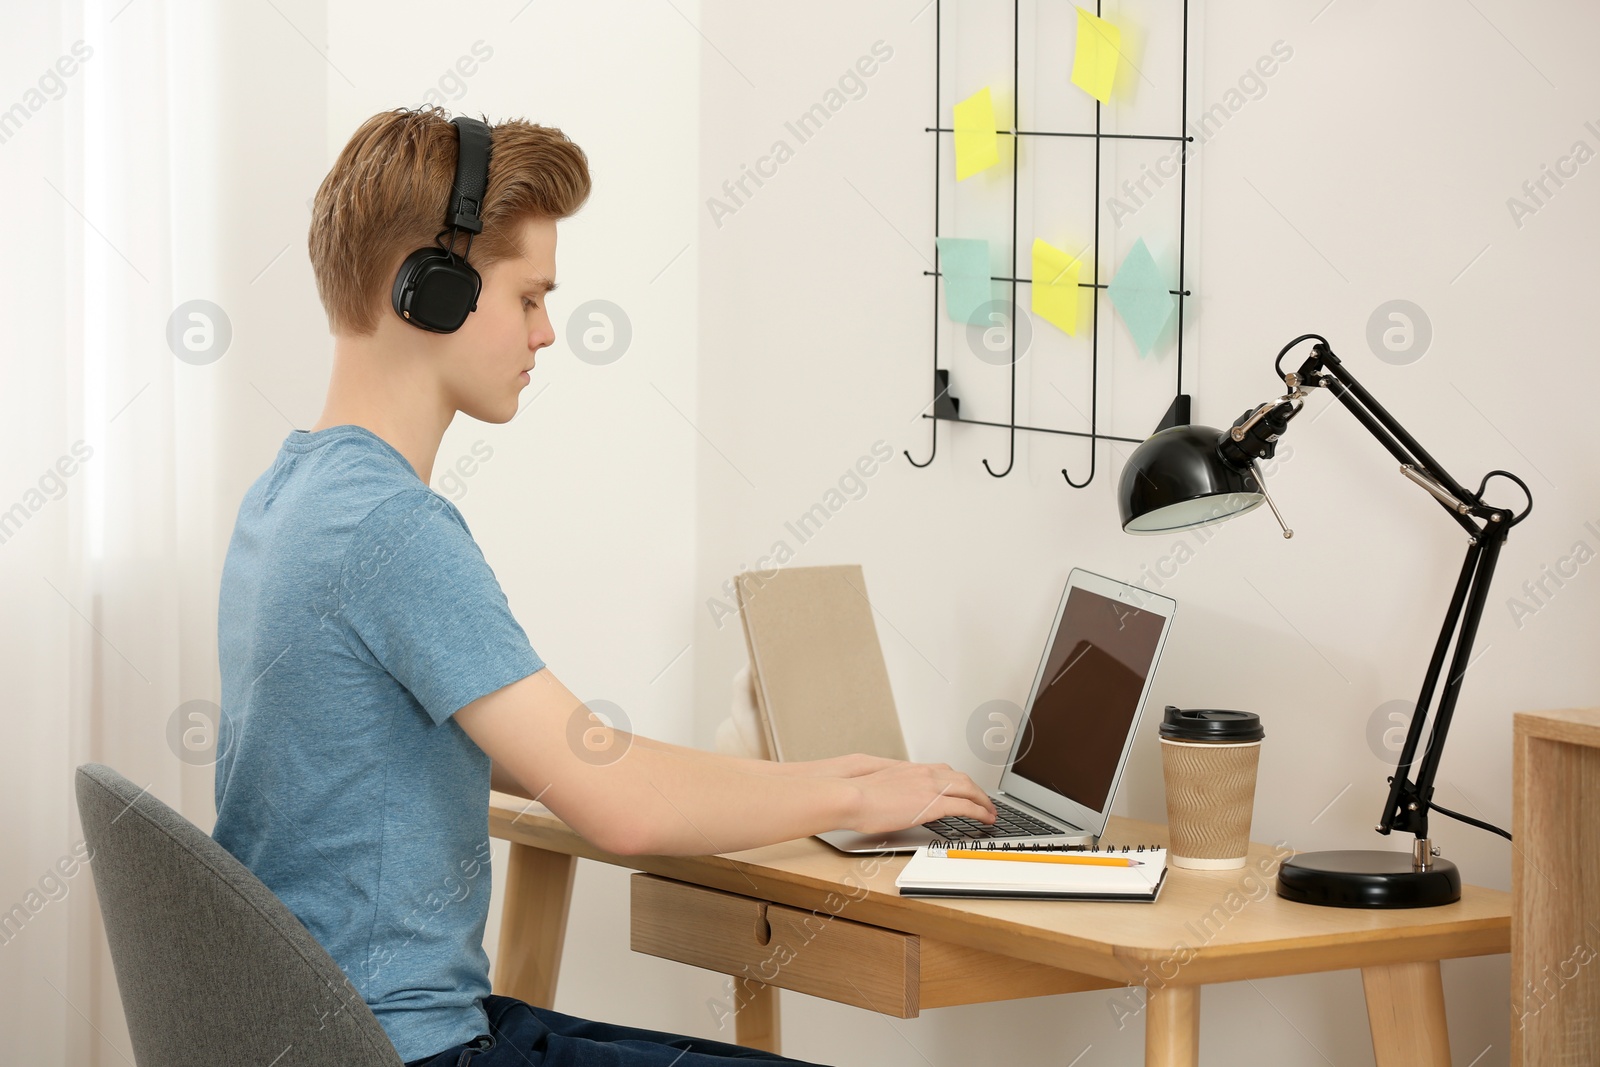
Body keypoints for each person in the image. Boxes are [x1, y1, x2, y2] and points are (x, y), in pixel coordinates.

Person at [210, 105, 997, 1067]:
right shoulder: (391, 526)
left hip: (332, 1033)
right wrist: (854, 791)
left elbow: (525, 756)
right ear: (430, 291)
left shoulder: (286, 495)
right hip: (406, 1047)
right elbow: (622, 807)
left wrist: (812, 781)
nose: (546, 333)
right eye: (529, 297)